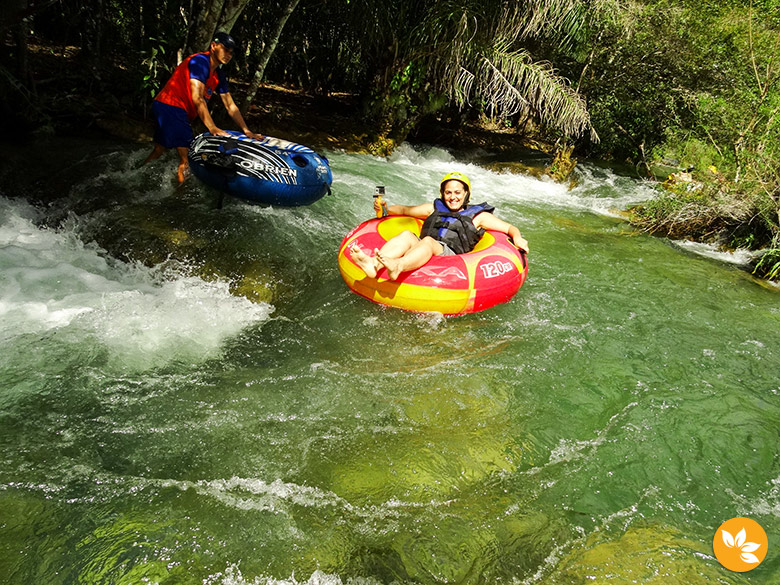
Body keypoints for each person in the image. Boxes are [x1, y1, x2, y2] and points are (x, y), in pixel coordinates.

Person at [350, 172, 529, 281]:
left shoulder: (478, 217)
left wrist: (518, 237)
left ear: (466, 194)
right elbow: (404, 209)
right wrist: (384, 207)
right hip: (425, 246)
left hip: (451, 258)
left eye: (458, 192)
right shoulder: (432, 208)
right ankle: (373, 264)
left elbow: (509, 228)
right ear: (442, 194)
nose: (453, 197)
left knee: (427, 241)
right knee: (407, 235)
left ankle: (399, 266)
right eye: (448, 192)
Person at [143, 31, 264, 182]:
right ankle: (179, 200)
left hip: (170, 108)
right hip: (171, 106)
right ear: (213, 46)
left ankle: (137, 175)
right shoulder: (200, 62)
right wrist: (212, 128)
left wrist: (247, 131)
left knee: (160, 149)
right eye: (225, 49)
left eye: (231, 53)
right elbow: (197, 98)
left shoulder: (218, 74)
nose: (228, 55)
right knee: (187, 157)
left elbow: (230, 104)